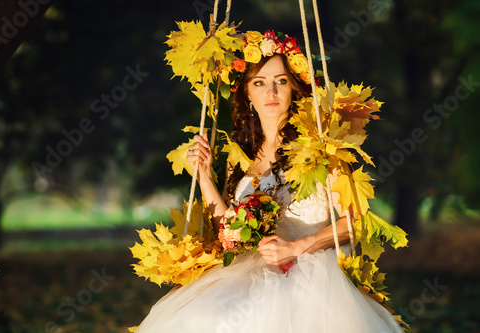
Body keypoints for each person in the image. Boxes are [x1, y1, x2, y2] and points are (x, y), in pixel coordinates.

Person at [134, 37, 403, 333]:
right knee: (201, 320)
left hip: (312, 276)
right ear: (247, 92)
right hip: (247, 273)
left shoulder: (322, 147)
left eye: (281, 81)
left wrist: (297, 247)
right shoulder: (241, 157)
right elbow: (229, 232)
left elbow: (353, 221)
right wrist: (204, 176)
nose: (271, 92)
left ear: (294, 89)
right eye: (259, 83)